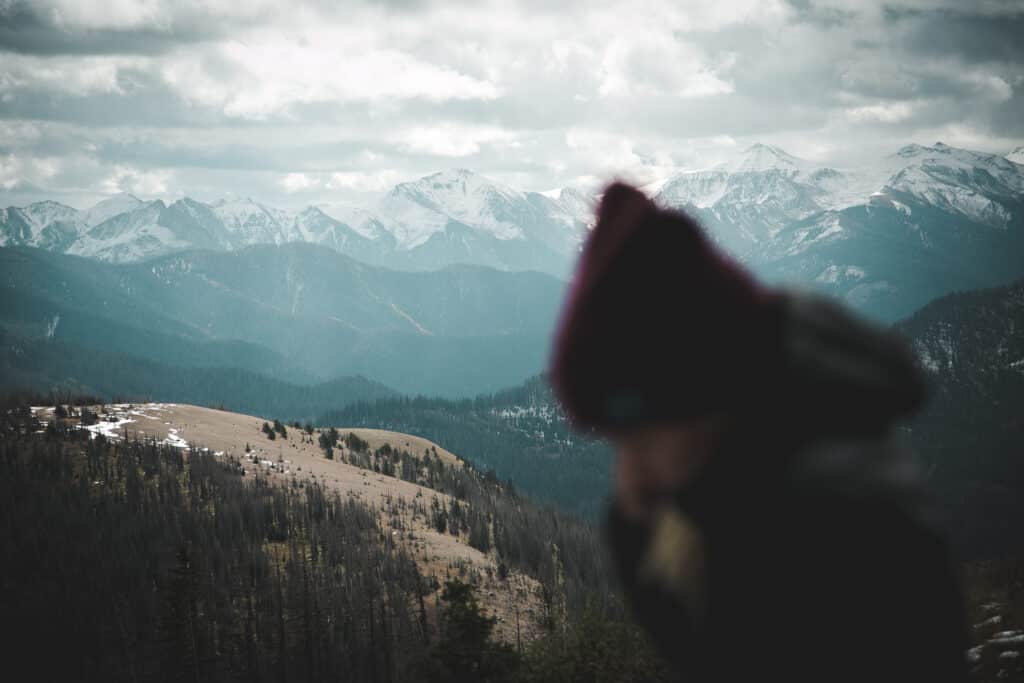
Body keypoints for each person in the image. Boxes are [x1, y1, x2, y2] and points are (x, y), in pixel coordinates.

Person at [550, 182, 968, 682]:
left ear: (711, 393)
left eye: (639, 436)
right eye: (616, 440)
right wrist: (642, 533)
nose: (629, 469)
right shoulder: (731, 486)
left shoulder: (843, 526)